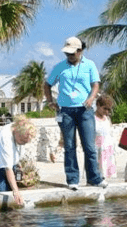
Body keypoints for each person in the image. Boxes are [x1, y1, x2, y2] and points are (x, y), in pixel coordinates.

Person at [43, 36, 106, 190]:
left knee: (89, 146)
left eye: (72, 53)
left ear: (80, 51)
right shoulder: (59, 67)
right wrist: (51, 101)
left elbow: (95, 84)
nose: (69, 56)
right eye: (67, 53)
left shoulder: (90, 65)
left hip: (85, 110)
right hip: (65, 111)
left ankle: (94, 178)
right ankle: (72, 179)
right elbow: (47, 84)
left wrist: (91, 98)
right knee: (69, 146)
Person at [0, 115, 36, 207]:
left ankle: (12, 216)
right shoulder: (4, 138)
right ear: (16, 132)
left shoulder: (21, 127)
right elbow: (8, 168)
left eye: (26, 142)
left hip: (4, 161)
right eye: (22, 140)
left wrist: (18, 164)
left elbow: (15, 150)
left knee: (11, 190)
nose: (23, 143)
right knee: (2, 193)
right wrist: (16, 192)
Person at [93, 95, 117, 180]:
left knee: (108, 178)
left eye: (109, 109)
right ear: (98, 105)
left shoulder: (107, 119)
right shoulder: (92, 119)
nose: (107, 112)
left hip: (108, 151)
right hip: (97, 152)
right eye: (105, 109)